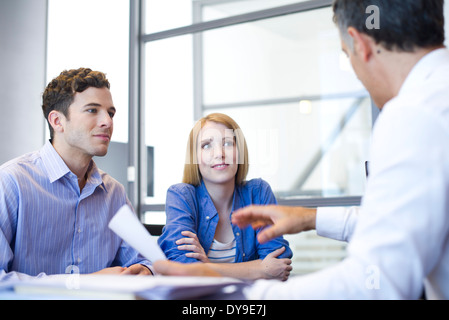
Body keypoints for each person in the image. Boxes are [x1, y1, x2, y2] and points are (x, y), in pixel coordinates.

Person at [155, 0, 449, 299]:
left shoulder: (413, 116)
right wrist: (311, 218)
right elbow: (397, 225)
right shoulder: (431, 103)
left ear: (360, 45)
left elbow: (375, 281)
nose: (219, 152)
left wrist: (248, 297)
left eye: (347, 57)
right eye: (207, 145)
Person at [0, 68, 152, 281]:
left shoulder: (114, 192)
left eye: (111, 113)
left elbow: (144, 260)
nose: (107, 122)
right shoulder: (11, 182)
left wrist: (145, 270)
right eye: (92, 110)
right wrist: (80, 285)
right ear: (57, 121)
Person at [157, 113, 292, 281]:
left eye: (228, 143)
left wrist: (207, 267)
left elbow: (279, 266)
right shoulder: (181, 196)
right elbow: (182, 269)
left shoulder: (258, 192)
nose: (219, 154)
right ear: (195, 157)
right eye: (206, 145)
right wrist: (258, 269)